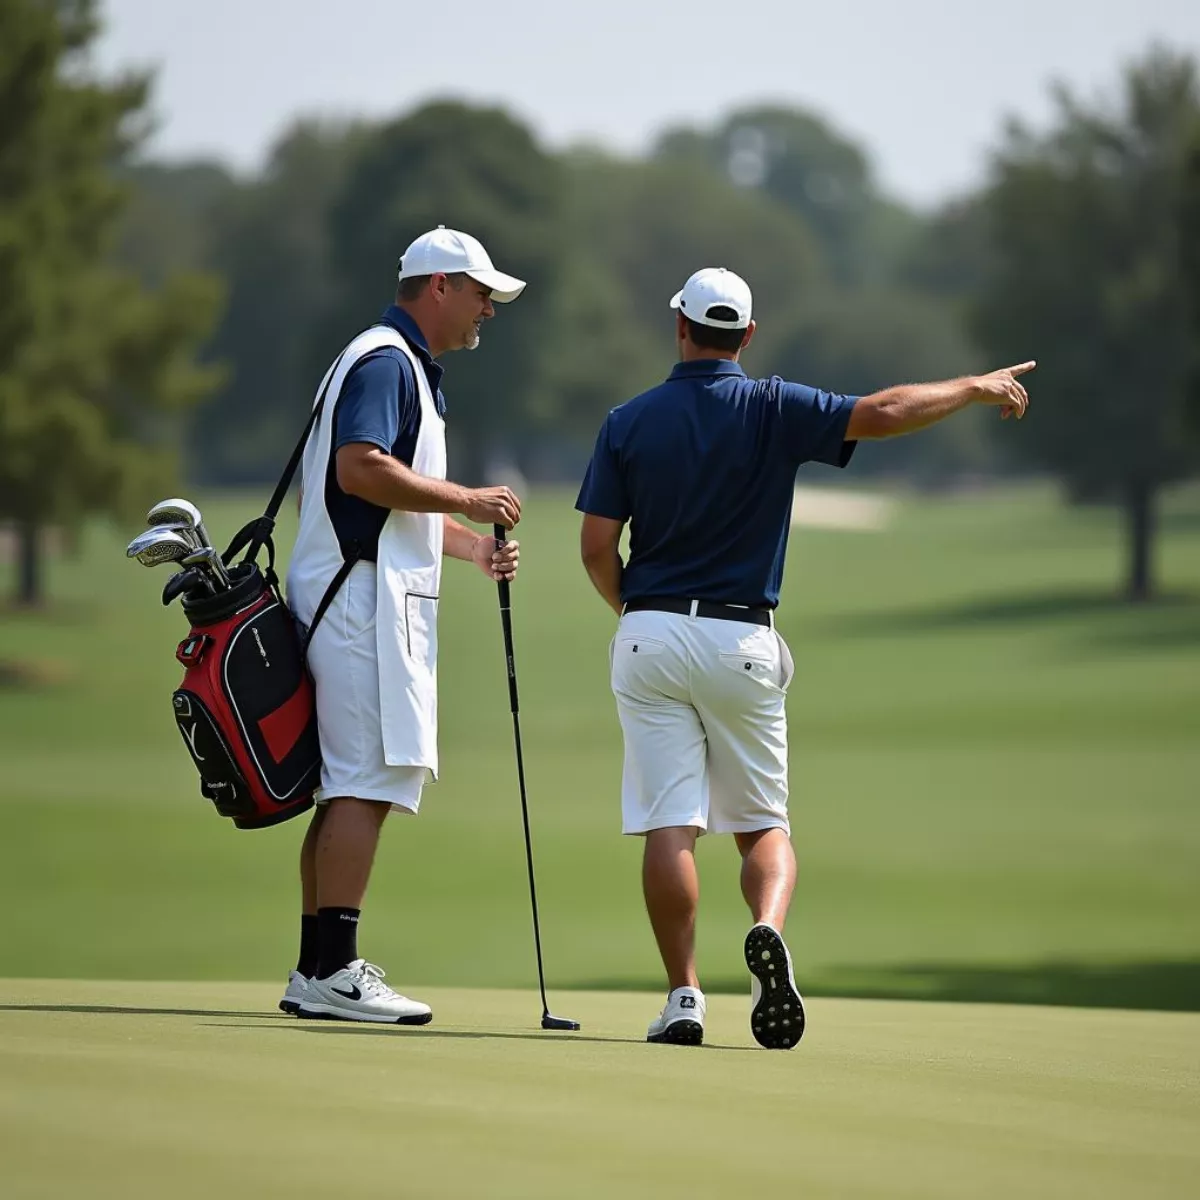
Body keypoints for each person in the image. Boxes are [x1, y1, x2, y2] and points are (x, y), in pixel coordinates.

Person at [576, 266, 1033, 1049]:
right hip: (741, 637)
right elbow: (884, 412)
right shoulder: (774, 405)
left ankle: (683, 996)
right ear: (748, 337)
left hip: (649, 633)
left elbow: (594, 548)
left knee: (669, 823)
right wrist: (972, 386)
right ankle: (766, 929)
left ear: (678, 325)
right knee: (762, 826)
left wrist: (639, 615)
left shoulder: (627, 420)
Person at [281, 226, 526, 1024]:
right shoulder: (388, 361)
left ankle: (316, 968)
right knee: (365, 783)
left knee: (347, 786)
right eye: (481, 291)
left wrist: (466, 550)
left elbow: (382, 506)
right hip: (360, 607)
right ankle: (337, 972)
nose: (489, 307)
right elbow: (362, 468)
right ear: (439, 286)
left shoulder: (395, 361)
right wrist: (468, 500)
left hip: (359, 596)